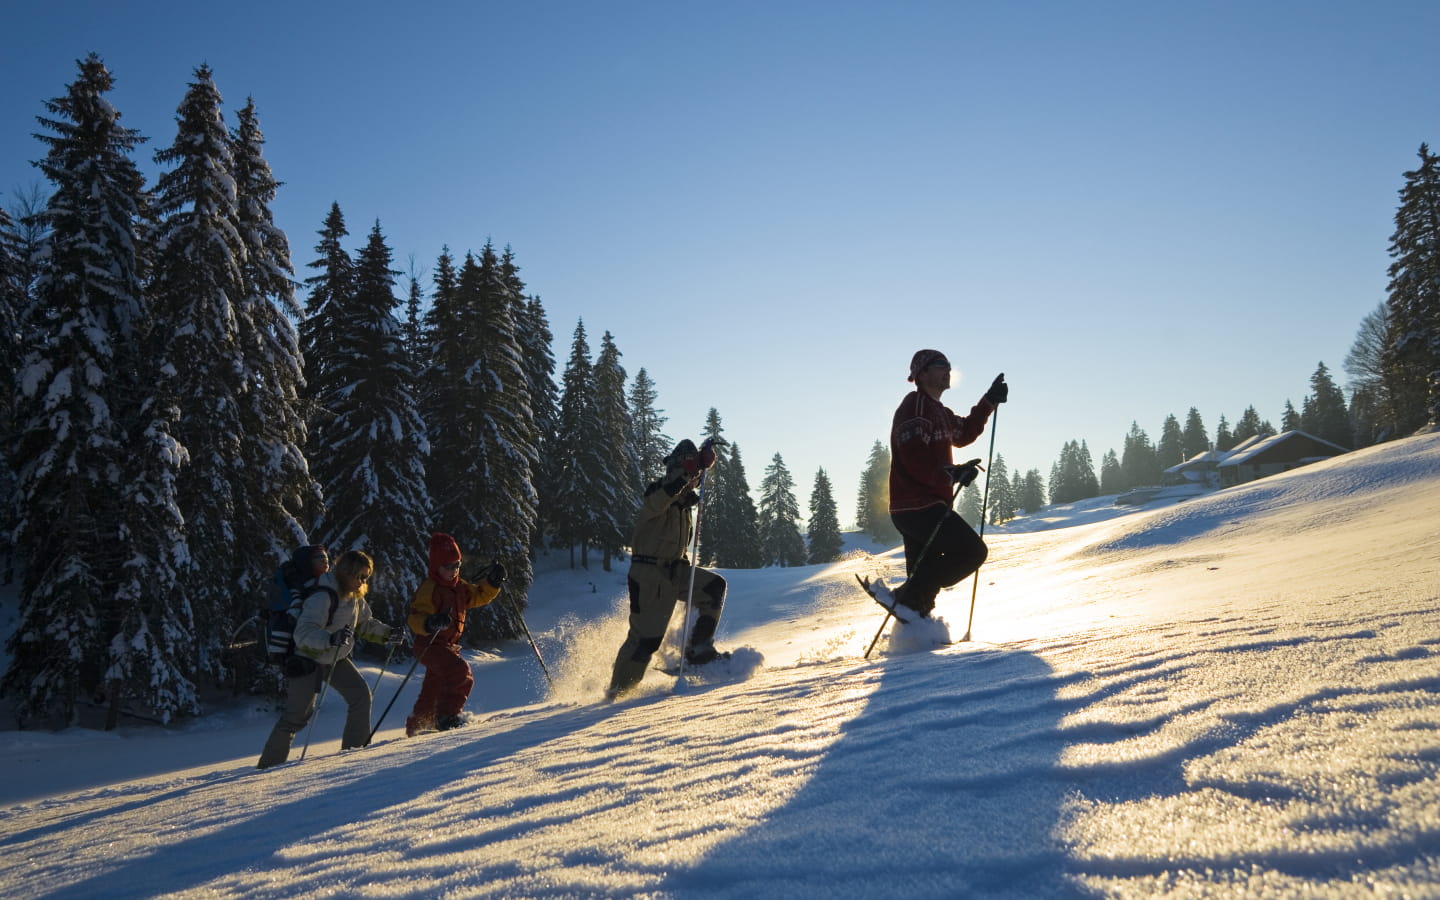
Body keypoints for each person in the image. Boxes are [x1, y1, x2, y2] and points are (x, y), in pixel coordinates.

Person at [883, 349, 1007, 620]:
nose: (947, 369)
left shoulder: (938, 411)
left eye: (948, 365)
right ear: (921, 373)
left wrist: (989, 401)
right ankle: (908, 595)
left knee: (922, 593)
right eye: (940, 365)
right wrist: (951, 474)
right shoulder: (915, 405)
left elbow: (963, 433)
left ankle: (917, 636)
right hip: (917, 506)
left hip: (924, 506)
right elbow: (913, 456)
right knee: (972, 552)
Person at [606, 438, 728, 700]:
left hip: (676, 571)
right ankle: (617, 695)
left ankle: (697, 650)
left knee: (713, 588)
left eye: (697, 473)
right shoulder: (658, 492)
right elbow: (665, 493)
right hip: (649, 576)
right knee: (645, 640)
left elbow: (682, 489)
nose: (695, 477)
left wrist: (697, 469)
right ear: (678, 468)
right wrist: (687, 471)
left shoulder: (683, 503)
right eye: (691, 470)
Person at [257, 549, 401, 769]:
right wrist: (330, 638)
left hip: (335, 658)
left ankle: (353, 756)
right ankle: (266, 769)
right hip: (306, 659)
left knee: (361, 697)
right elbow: (303, 633)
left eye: (366, 577)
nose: (362, 581)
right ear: (345, 572)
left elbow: (364, 624)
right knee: (295, 718)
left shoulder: (354, 597)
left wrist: (387, 633)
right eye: (359, 576)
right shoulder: (322, 596)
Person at [405, 533, 506, 736]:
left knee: (434, 686)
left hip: (447, 645)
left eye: (457, 565)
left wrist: (493, 583)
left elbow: (478, 596)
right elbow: (414, 618)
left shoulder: (459, 586)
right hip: (429, 644)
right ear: (436, 567)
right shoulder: (430, 589)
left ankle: (419, 725)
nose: (454, 571)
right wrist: (430, 622)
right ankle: (447, 717)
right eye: (448, 566)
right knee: (459, 672)